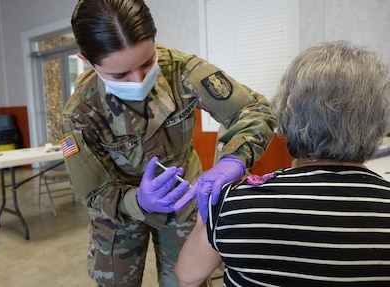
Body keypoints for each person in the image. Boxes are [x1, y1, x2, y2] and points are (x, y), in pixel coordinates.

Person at [60, 0, 276, 286]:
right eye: (120, 75)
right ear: (87, 61)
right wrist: (138, 200)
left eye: (147, 63)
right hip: (120, 214)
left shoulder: (182, 70)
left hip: (184, 199)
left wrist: (234, 159)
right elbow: (92, 191)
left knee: (188, 280)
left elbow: (255, 110)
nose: (139, 80)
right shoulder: (80, 114)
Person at [175, 40, 390, 287]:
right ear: (378, 124)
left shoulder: (235, 205)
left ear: (287, 117)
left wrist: (209, 218)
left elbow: (187, 277)